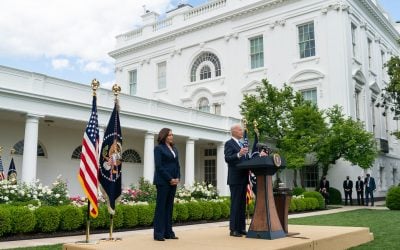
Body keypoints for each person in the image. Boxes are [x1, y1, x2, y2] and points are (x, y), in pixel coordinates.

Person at [153, 128, 180, 241]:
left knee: (169, 208)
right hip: (163, 182)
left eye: (172, 135)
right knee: (161, 207)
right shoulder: (158, 148)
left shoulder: (174, 148)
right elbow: (159, 166)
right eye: (169, 135)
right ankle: (159, 233)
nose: (171, 136)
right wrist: (170, 179)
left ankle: (168, 232)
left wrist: (178, 177)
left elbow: (177, 165)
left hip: (173, 182)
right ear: (164, 136)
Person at [224, 124, 249, 237]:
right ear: (233, 131)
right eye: (239, 130)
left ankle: (241, 228)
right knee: (235, 204)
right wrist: (239, 154)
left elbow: (247, 159)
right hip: (235, 179)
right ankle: (233, 229)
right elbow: (228, 158)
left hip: (244, 178)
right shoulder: (229, 143)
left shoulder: (242, 144)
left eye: (242, 130)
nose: (242, 131)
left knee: (242, 205)